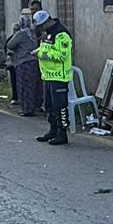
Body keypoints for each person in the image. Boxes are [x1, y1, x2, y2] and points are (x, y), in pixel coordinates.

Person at [33, 11, 73, 144]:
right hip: (48, 76)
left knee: (60, 106)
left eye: (40, 26)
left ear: (46, 22)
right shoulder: (47, 33)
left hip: (59, 77)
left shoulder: (61, 34)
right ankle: (53, 130)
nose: (39, 29)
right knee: (49, 106)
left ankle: (62, 134)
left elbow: (61, 56)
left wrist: (40, 54)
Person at [6, 8, 41, 116]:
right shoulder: (33, 32)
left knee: (24, 87)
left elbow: (10, 45)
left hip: (23, 63)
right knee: (33, 86)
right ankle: (34, 107)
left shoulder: (21, 34)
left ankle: (27, 109)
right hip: (34, 61)